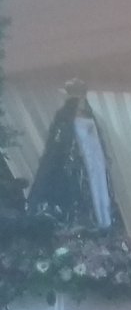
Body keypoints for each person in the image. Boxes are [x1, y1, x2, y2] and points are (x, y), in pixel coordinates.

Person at [26, 80, 123, 231]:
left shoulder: (90, 115)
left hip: (94, 161)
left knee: (100, 191)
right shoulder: (64, 117)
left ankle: (105, 222)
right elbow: (58, 146)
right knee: (85, 197)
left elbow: (96, 139)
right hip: (78, 166)